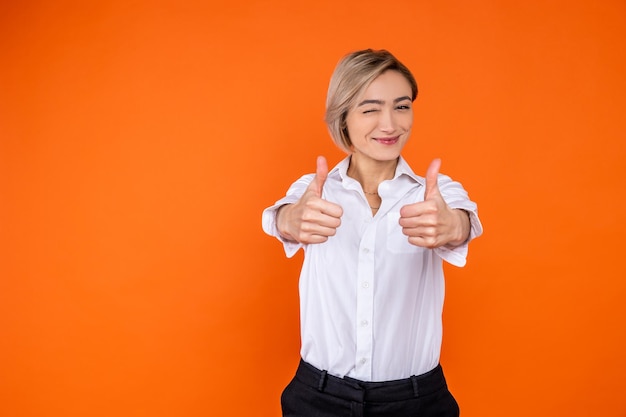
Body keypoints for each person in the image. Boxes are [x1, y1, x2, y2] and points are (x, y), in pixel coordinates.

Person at [262, 49, 483, 417]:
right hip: (318, 398)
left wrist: (452, 225)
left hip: (416, 402)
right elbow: (283, 217)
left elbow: (460, 223)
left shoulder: (435, 192)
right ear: (343, 117)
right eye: (370, 109)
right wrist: (290, 218)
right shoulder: (314, 190)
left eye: (401, 106)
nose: (390, 124)